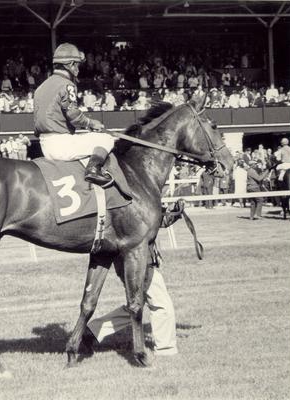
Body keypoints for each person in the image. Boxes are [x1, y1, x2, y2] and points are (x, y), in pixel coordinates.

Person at [83, 202, 186, 356]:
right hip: (137, 261)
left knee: (136, 303)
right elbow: (142, 224)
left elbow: (155, 221)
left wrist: (172, 213)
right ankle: (166, 349)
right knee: (161, 303)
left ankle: (93, 330)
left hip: (131, 260)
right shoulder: (131, 199)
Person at [34, 43, 115, 187]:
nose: (78, 68)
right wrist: (91, 123)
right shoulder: (67, 84)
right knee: (106, 139)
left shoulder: (41, 87)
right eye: (77, 64)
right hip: (61, 145)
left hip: (44, 145)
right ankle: (93, 171)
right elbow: (73, 115)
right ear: (71, 64)